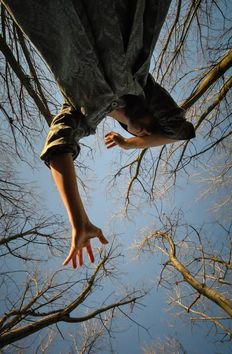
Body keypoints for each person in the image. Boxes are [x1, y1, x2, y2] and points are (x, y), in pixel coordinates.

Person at [2, 0, 195, 268]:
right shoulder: (140, 81)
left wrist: (78, 219)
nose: (150, 130)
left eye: (149, 133)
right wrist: (130, 143)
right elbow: (180, 130)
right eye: (154, 126)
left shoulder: (81, 110)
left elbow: (58, 146)